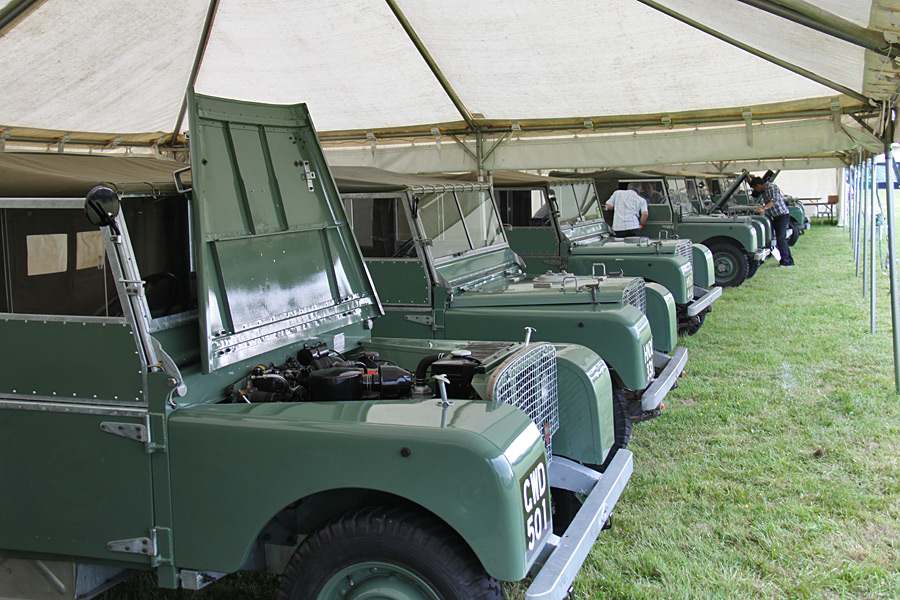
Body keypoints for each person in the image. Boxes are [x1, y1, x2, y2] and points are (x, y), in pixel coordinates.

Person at [748, 175, 794, 267]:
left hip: (782, 216)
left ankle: (785, 261)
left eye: (755, 188)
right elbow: (752, 181)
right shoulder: (764, 188)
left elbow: (774, 200)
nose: (755, 190)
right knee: (781, 239)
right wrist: (746, 174)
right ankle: (789, 260)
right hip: (776, 217)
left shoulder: (771, 188)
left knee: (781, 239)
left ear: (759, 185)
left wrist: (763, 208)